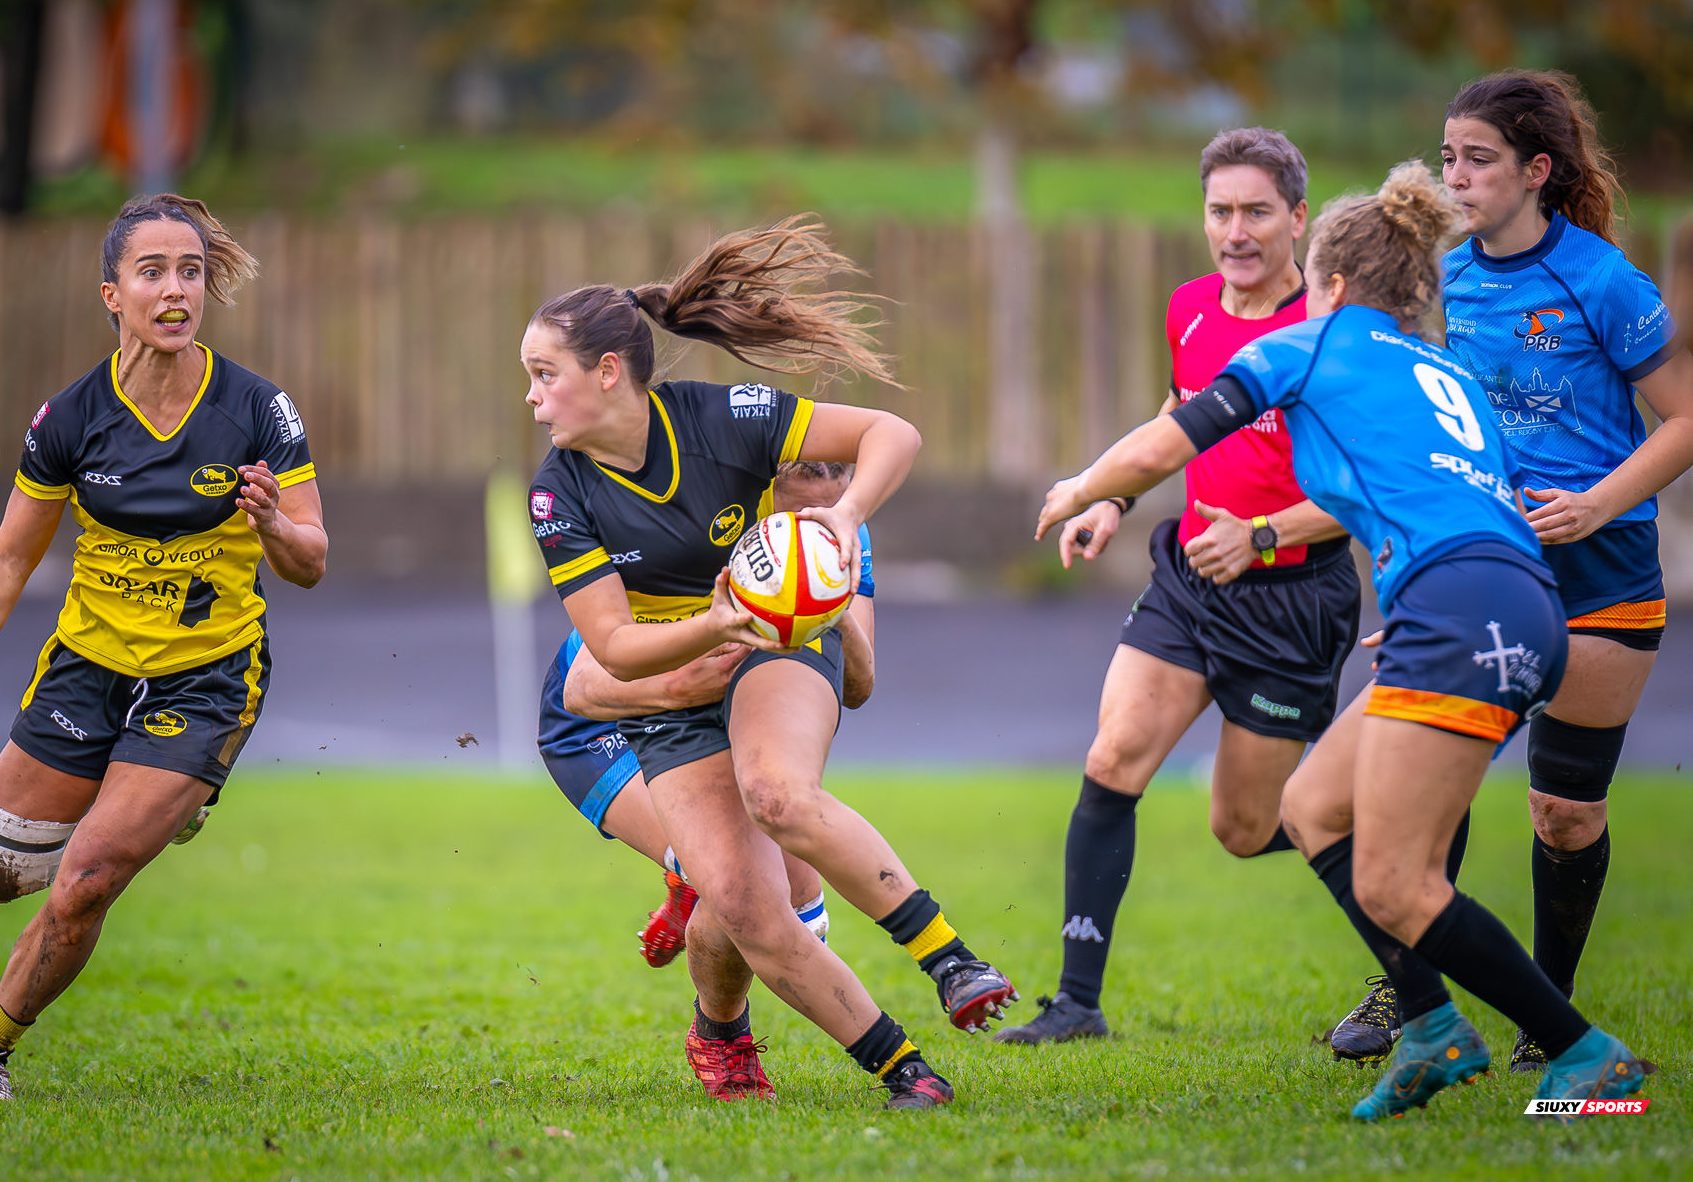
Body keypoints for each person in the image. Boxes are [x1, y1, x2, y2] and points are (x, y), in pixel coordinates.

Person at [1039, 159, 1649, 1122]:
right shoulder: (1442, 369)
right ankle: (1433, 1028)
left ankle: (1585, 1053)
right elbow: (1456, 497)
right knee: (1313, 808)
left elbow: (1167, 442)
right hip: (1503, 598)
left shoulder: (1311, 344)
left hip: (1461, 609)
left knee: (1394, 881)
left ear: (1328, 283)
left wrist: (1081, 488)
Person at [524, 217, 1015, 1109]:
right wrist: (716, 622)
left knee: (778, 795)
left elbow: (892, 433)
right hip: (669, 681)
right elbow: (613, 653)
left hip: (770, 646)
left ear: (607, 372)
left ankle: (950, 959)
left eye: (543, 374)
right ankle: (905, 1071)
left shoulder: (724, 420)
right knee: (746, 905)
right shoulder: (558, 491)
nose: (532, 398)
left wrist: (847, 521)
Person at [0, 195, 327, 1101]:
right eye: (153, 272)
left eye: (191, 271)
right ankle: (158, 801)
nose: (176, 290)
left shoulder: (258, 409)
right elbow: (9, 555)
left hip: (207, 678)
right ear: (113, 295)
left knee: (86, 881)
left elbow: (311, 561)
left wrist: (271, 524)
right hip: (86, 669)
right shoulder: (69, 417)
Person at [996, 128, 1402, 1048]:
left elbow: (1366, 490)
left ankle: (1406, 899)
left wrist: (1261, 536)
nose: (1236, 231)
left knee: (1247, 827)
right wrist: (1117, 498)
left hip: (1292, 603)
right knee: (1113, 758)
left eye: (1257, 211)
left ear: (1298, 219)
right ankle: (1077, 1004)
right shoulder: (1188, 307)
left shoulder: (1334, 333)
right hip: (1188, 580)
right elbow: (1180, 416)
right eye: (1221, 211)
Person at [1322, 70, 1693, 1074]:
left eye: (1478, 159)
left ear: (1536, 170)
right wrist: (1414, 578)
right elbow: (1418, 444)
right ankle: (1413, 991)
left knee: (1563, 813)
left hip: (1604, 576)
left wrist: (1596, 504)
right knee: (1419, 790)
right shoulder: (1439, 286)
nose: (1456, 177)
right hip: (1481, 572)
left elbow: (1685, 418)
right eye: (1448, 158)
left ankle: (1550, 1017)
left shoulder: (1604, 282)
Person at [537, 462, 881, 964]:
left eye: (842, 492)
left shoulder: (843, 532)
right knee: (742, 888)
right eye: (809, 498)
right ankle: (694, 897)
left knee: (786, 892)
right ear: (770, 477)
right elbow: (583, 692)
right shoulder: (711, 509)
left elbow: (857, 687)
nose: (827, 514)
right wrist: (678, 685)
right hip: (594, 725)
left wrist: (832, 604)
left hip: (701, 711)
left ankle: (718, 967)